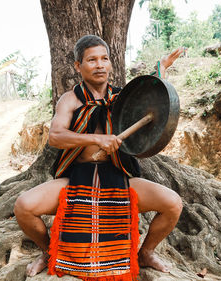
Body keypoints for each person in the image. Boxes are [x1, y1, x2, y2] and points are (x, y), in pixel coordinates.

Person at [14, 35, 183, 279]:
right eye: (92, 60)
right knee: (24, 206)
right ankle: (48, 252)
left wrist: (161, 69)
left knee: (172, 203)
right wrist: (96, 139)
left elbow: (153, 98)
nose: (100, 65)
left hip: (118, 177)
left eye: (104, 59)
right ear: (78, 66)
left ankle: (145, 253)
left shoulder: (123, 99)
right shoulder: (70, 99)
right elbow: (56, 136)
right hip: (76, 179)